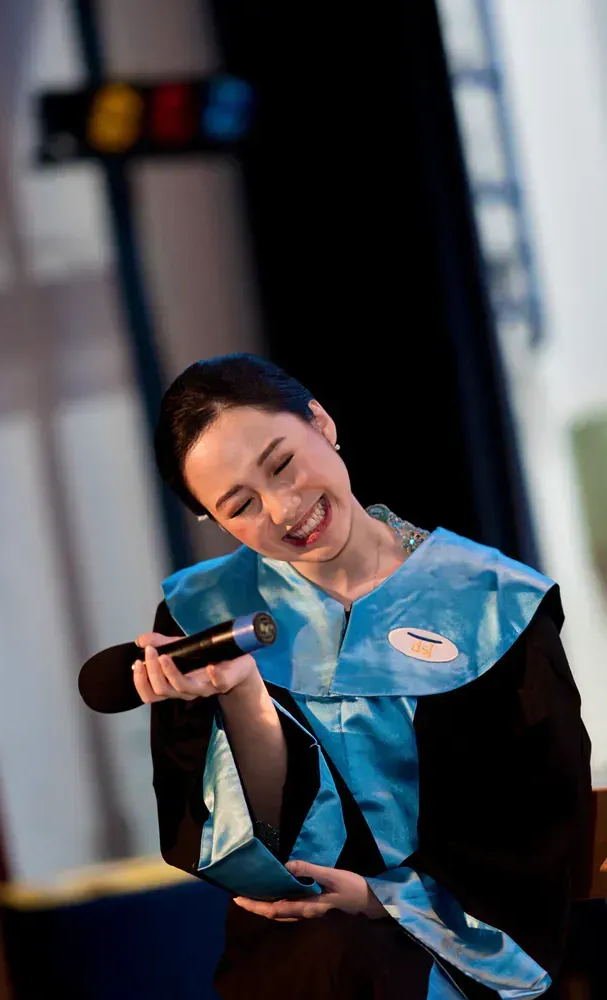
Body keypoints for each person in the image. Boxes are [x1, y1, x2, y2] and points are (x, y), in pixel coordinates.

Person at [128, 354, 591, 998]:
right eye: (241, 505)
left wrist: (384, 899)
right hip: (304, 954)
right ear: (213, 519)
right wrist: (242, 696)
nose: (285, 509)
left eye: (283, 463)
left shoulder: (488, 602)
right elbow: (253, 848)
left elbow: (538, 821)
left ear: (321, 422)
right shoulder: (207, 618)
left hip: (472, 950)